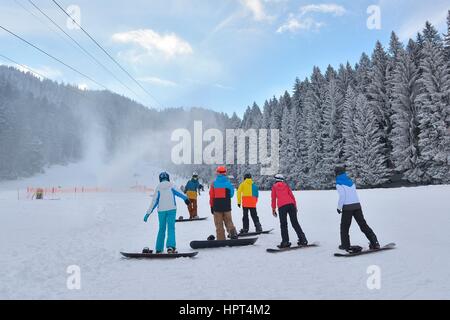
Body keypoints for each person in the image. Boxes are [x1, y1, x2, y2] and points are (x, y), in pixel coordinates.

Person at [335, 166, 380, 252]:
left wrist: (339, 207)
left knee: (344, 227)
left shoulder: (339, 183)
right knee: (363, 225)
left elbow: (342, 196)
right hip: (357, 206)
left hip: (347, 207)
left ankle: (345, 245)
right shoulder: (350, 181)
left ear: (337, 173)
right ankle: (375, 242)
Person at [144, 172, 191, 254]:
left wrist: (148, 214)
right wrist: (186, 199)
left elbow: (154, 202)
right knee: (171, 228)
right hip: (171, 209)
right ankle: (170, 247)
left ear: (160, 179)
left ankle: (159, 248)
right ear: (168, 178)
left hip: (161, 211)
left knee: (161, 228)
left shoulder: (158, 187)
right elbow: (179, 192)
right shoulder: (171, 185)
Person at [271, 174, 308, 248]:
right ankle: (303, 239)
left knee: (283, 224)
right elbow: (292, 196)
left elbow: (273, 199)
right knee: (295, 223)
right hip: (291, 205)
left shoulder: (274, 187)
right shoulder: (286, 185)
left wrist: (273, 209)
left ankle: (285, 242)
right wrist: (295, 206)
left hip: (282, 206)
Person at [209, 166, 238, 240]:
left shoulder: (214, 184)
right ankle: (233, 233)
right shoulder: (229, 184)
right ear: (225, 173)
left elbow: (211, 196)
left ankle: (221, 238)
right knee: (229, 221)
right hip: (227, 207)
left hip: (217, 207)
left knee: (219, 224)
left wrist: (211, 206)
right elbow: (231, 195)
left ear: (217, 173)